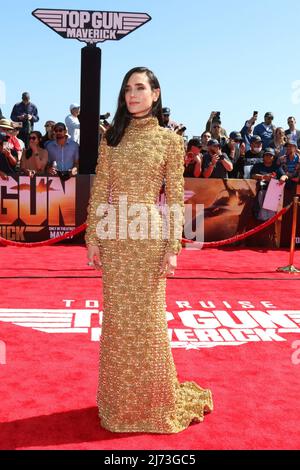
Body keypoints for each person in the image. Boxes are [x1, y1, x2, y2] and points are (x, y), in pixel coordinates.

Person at [85, 66, 213, 434]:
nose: (132, 95)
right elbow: (100, 190)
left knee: (149, 323)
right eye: (127, 89)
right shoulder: (112, 138)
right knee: (118, 324)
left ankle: (155, 402)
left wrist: (173, 247)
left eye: (140, 88)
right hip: (115, 236)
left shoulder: (170, 141)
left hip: (149, 238)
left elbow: (174, 197)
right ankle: (118, 404)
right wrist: (93, 237)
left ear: (156, 94)